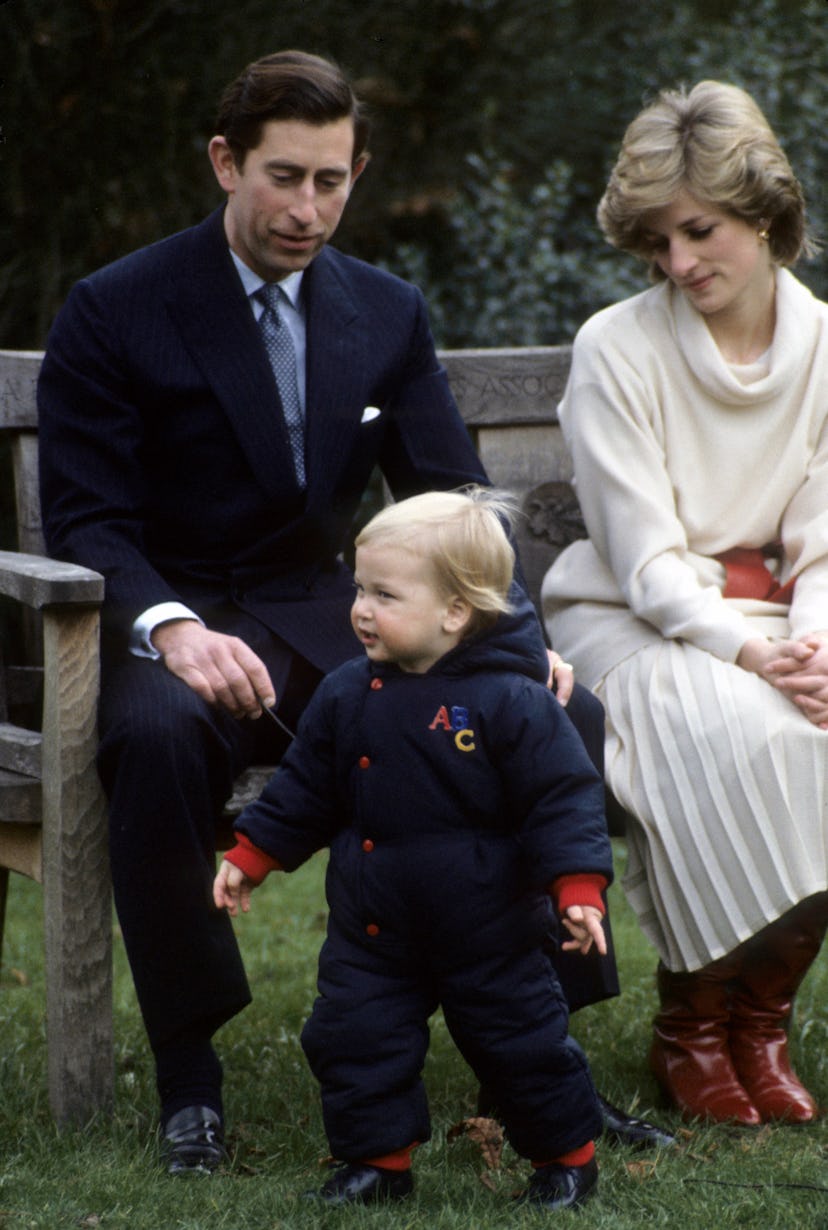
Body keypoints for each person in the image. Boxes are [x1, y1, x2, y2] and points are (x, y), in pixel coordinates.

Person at [35, 49, 668, 1171]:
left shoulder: (384, 308)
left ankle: (541, 1068)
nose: (308, 209)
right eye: (285, 177)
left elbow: (454, 498)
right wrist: (174, 630)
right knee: (149, 736)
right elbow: (88, 521)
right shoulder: (117, 307)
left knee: (554, 722)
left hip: (343, 628)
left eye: (333, 181)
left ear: (357, 172)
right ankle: (190, 1075)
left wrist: (520, 647)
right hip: (177, 629)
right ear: (225, 162)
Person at [542, 80, 828, 1127]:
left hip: (783, 623)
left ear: (763, 212)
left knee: (819, 725)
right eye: (658, 239)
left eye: (700, 230)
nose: (679, 262)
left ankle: (762, 1022)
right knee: (744, 731)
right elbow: (648, 559)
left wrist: (812, 649)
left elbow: (826, 548)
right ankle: (691, 1029)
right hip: (627, 618)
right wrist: (753, 658)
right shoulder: (616, 345)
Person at [213, 487, 613, 1209]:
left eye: (385, 595)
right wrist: (252, 856)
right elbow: (306, 788)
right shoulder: (346, 692)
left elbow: (563, 798)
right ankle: (376, 1165)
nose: (361, 608)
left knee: (522, 1046)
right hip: (375, 926)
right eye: (359, 588)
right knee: (355, 1038)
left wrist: (578, 888)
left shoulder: (511, 702)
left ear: (455, 612)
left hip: (489, 930)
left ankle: (567, 1157)